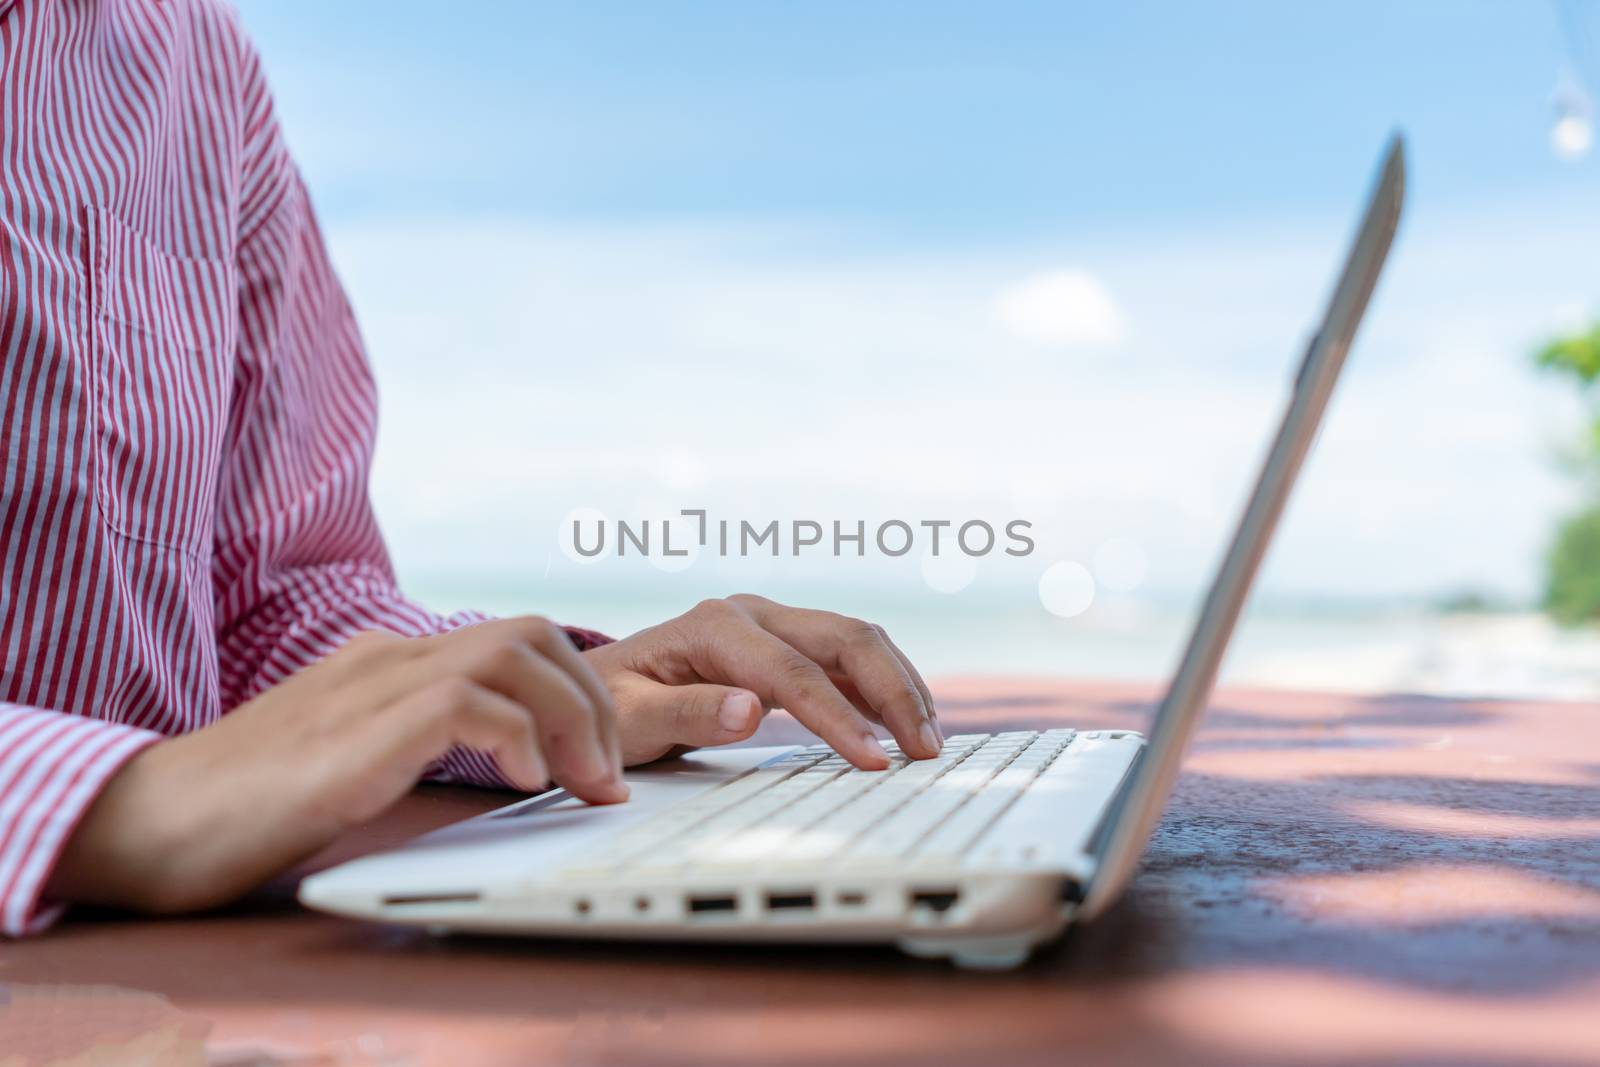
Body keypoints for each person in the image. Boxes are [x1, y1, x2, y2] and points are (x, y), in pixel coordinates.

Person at [0, 0, 942, 936]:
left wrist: (550, 692)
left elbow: (264, 599)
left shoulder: (192, 60)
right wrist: (109, 804)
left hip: (174, 966)